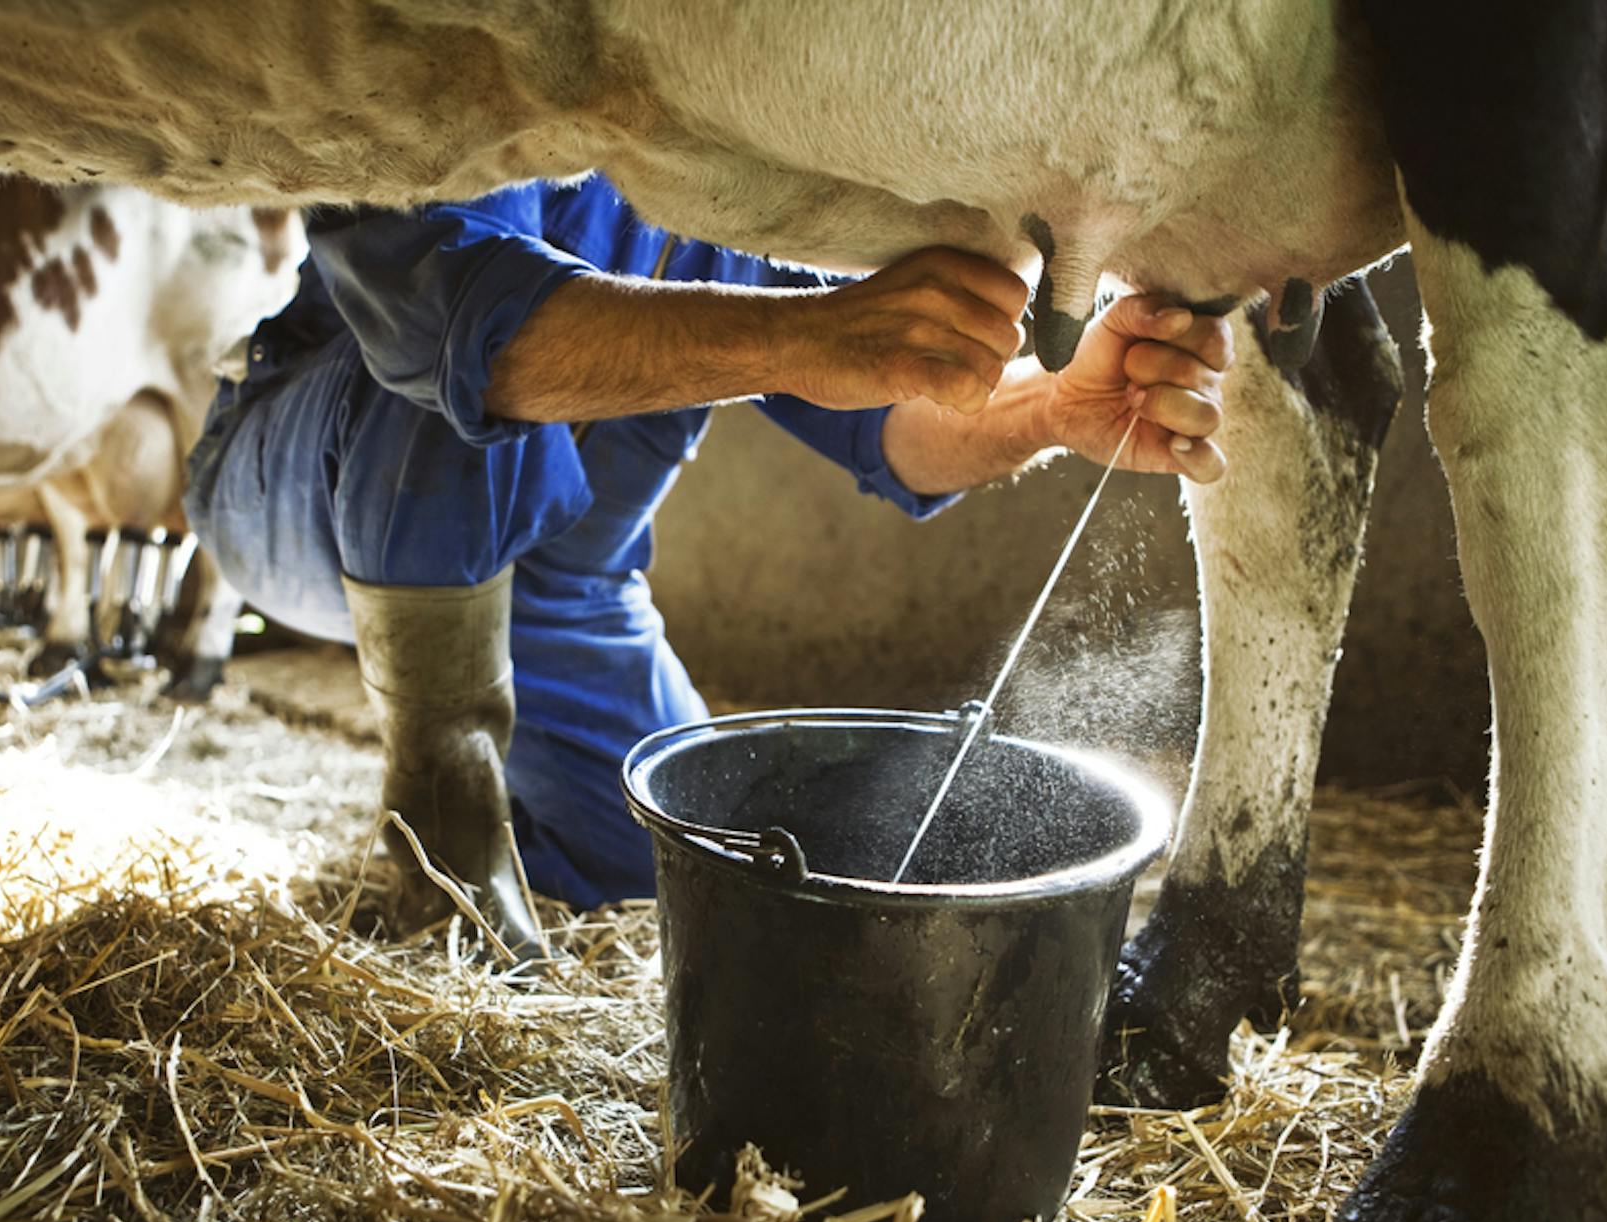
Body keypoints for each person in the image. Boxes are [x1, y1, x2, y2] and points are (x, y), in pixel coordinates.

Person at [185, 175, 1232, 952]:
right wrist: (808, 337)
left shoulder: (728, 174)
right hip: (299, 483)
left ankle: (517, 830)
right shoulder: (477, 72)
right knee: (455, 376)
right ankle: (441, 836)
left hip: (561, 594)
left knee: (673, 862)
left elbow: (894, 427)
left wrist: (1049, 406)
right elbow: (462, 329)